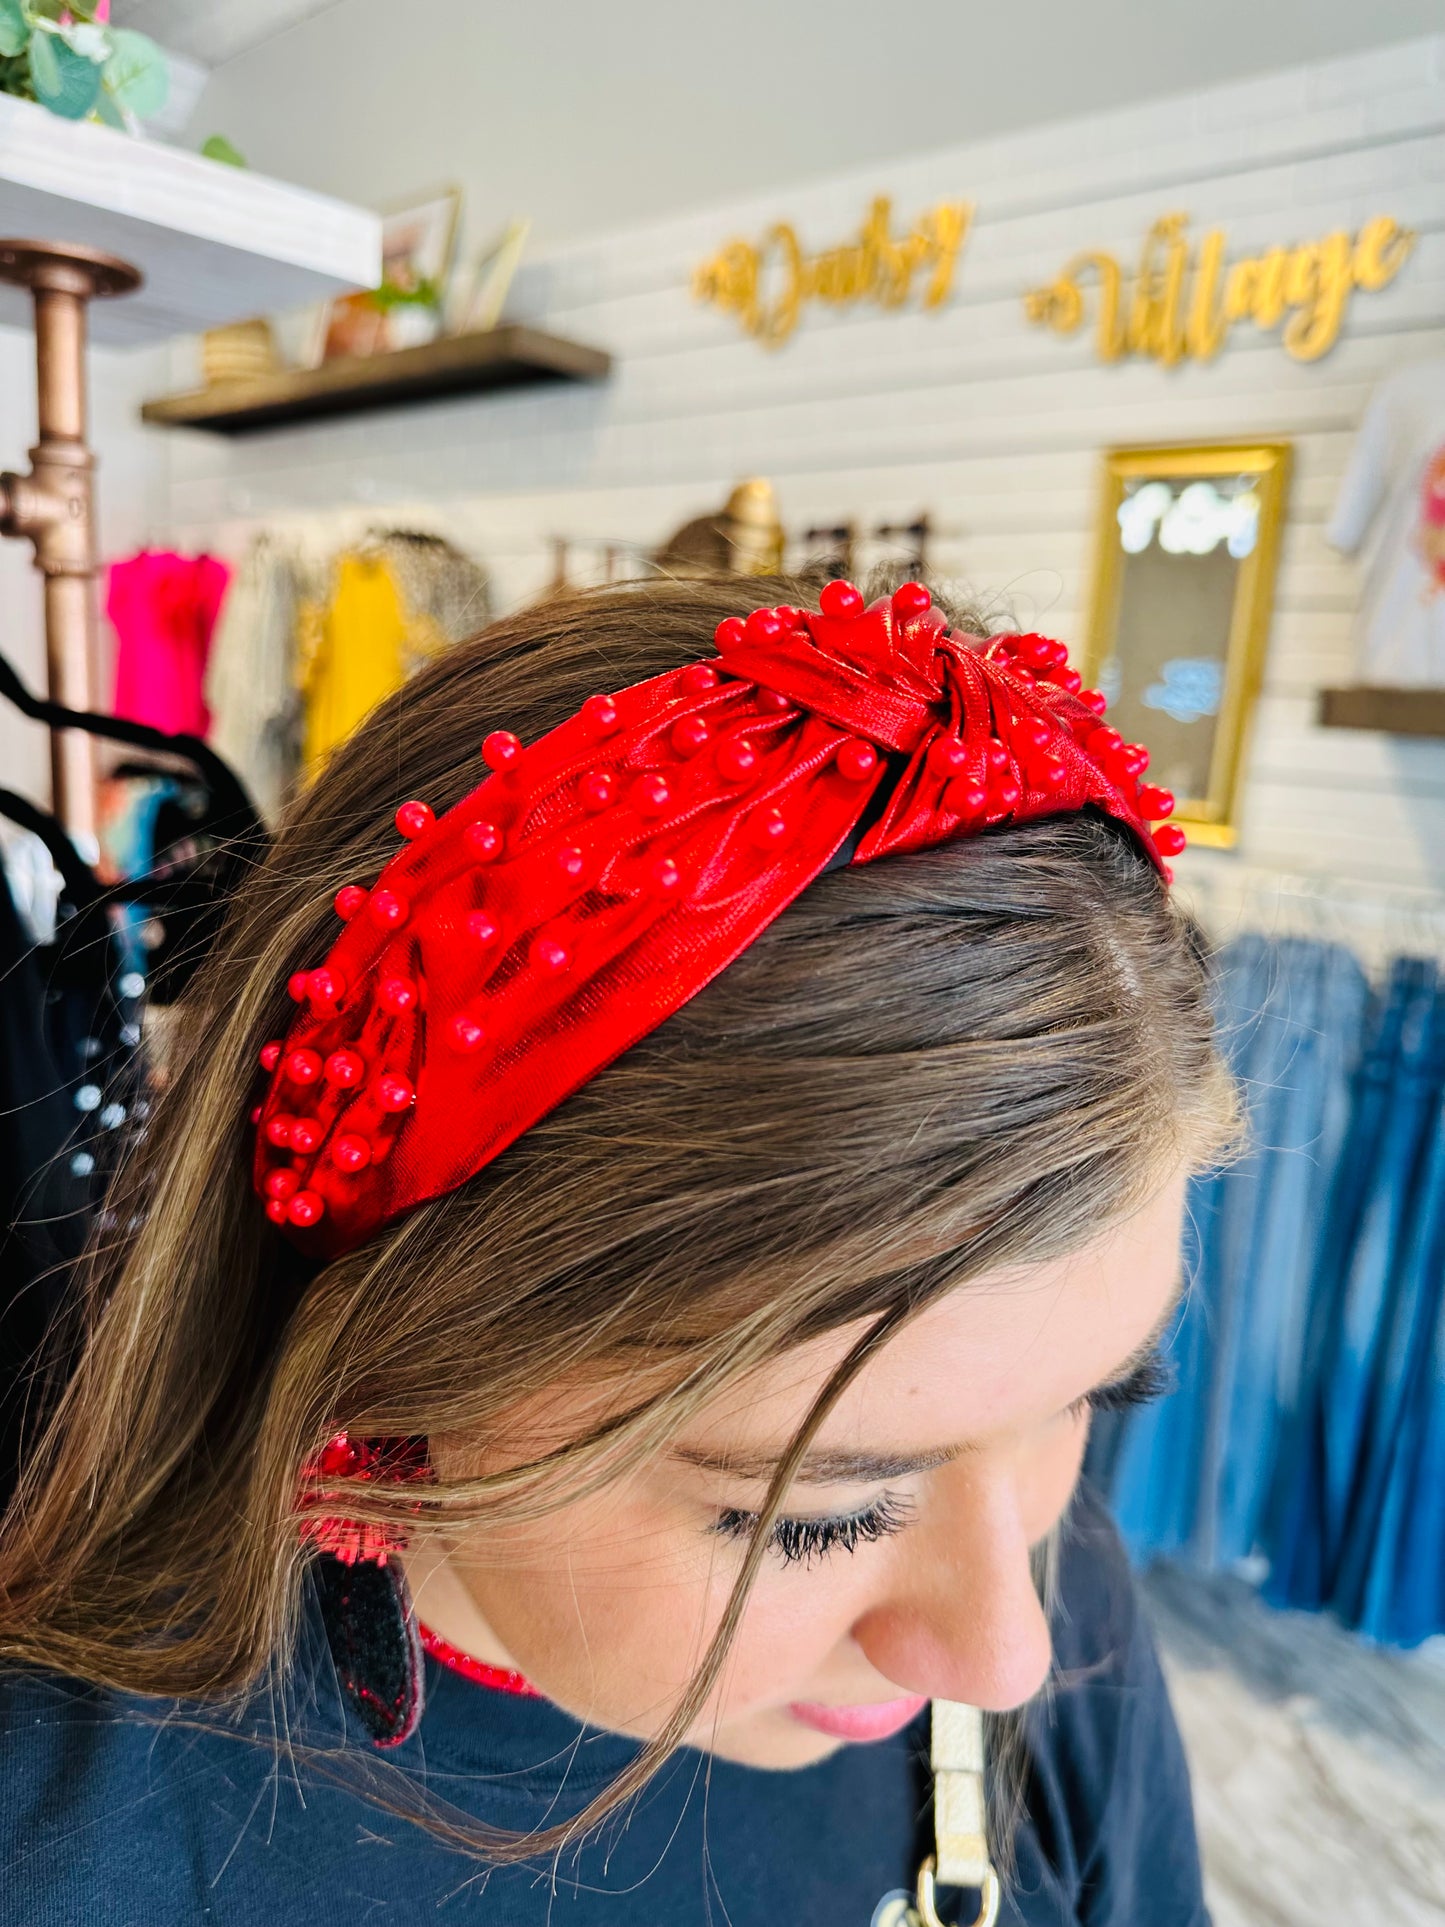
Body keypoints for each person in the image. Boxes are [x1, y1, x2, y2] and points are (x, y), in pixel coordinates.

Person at [0, 576, 1228, 1926]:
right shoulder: (73, 1856)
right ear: (384, 1370)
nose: (1008, 1651)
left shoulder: (1052, 1576)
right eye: (815, 1516)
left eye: (1086, 1406)